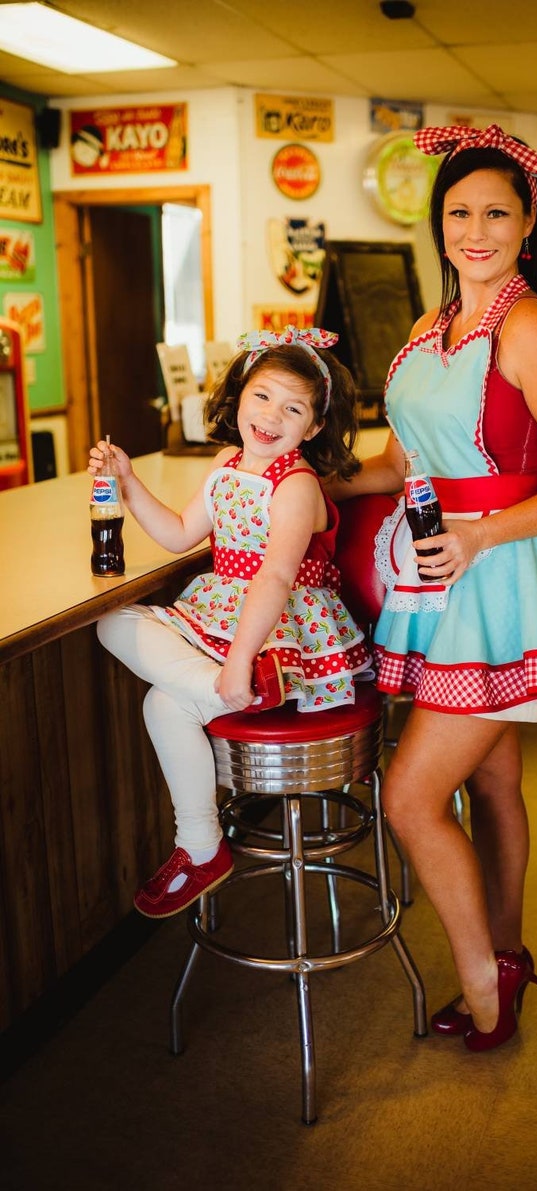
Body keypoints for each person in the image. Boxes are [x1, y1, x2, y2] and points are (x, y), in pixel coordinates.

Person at [326, 124, 537, 1052]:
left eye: (497, 210)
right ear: (439, 221)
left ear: (528, 218)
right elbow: (401, 460)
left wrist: (484, 531)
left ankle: (484, 986)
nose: (477, 229)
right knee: (493, 782)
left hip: (498, 575)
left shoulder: (530, 324)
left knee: (412, 795)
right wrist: (308, 481)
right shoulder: (428, 327)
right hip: (435, 575)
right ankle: (507, 948)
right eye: (460, 211)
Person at [89, 327, 372, 919]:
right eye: (262, 397)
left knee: (161, 704)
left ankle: (199, 840)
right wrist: (128, 480)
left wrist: (242, 656)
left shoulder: (296, 485)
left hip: (278, 631)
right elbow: (176, 534)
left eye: (293, 408)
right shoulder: (226, 462)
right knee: (115, 628)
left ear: (314, 427)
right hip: (225, 621)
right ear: (240, 395)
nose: (272, 416)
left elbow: (273, 579)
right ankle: (227, 716)